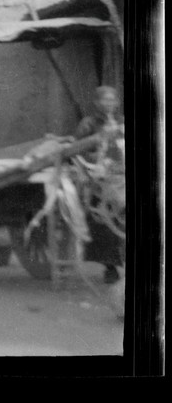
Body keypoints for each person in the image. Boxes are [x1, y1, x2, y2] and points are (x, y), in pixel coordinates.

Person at [74, 86, 125, 285]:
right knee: (105, 224)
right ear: (96, 103)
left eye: (113, 100)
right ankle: (110, 267)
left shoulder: (122, 123)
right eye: (105, 100)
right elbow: (76, 149)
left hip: (120, 173)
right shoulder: (88, 124)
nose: (109, 104)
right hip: (99, 177)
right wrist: (96, 158)